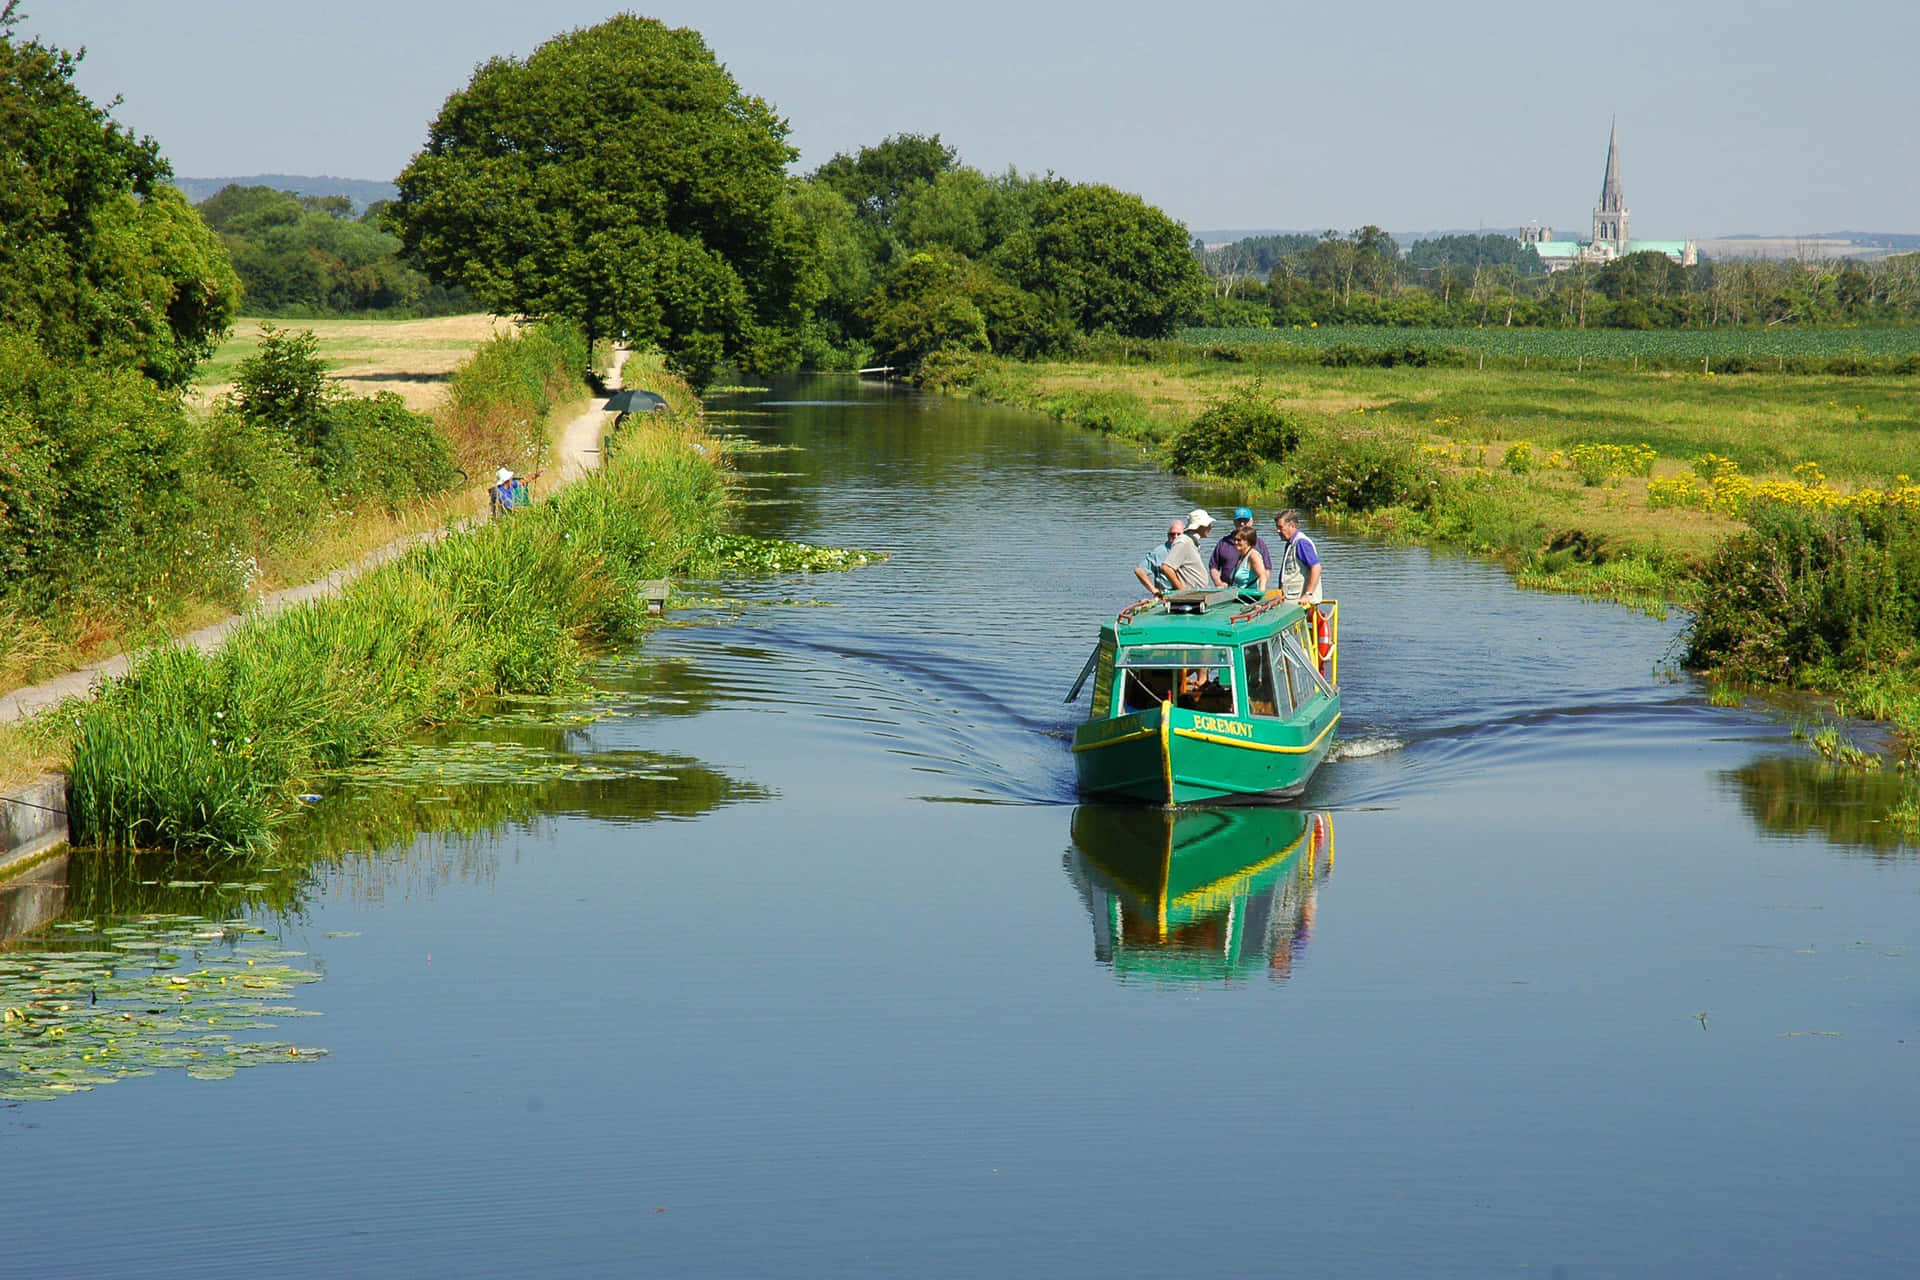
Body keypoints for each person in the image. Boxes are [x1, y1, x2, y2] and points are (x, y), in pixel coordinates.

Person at [1209, 506, 1272, 587]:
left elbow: (1266, 570)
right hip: (1226, 588)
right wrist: (1218, 583)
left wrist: (1259, 589)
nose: (1242, 523)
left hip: (1249, 592)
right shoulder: (1223, 543)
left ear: (1251, 521)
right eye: (1239, 520)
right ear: (1234, 522)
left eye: (1245, 520)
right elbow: (1214, 567)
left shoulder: (1259, 544)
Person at [1273, 508, 1323, 604]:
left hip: (1300, 602)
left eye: (1280, 527)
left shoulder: (1301, 543)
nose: (1278, 531)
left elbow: (1316, 568)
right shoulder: (1291, 543)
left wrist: (1308, 594)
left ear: (1292, 526)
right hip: (1290, 599)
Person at [1133, 519, 1188, 597]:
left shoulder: (1190, 549)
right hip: (1166, 595)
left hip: (1187, 593)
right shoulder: (1159, 552)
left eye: (1179, 534)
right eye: (1172, 534)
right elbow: (1139, 571)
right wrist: (1153, 590)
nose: (1175, 537)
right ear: (1168, 535)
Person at [1227, 524, 1269, 598]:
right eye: (1235, 539)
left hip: (1249, 598)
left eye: (1239, 540)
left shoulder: (1253, 556)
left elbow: (1263, 577)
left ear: (1248, 541)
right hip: (1237, 597)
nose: (1235, 542)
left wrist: (1260, 597)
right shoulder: (1241, 555)